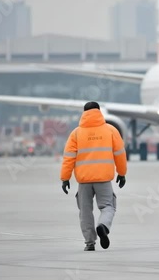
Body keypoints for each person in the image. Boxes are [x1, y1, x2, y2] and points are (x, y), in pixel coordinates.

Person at [60, 101, 127, 251]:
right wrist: (122, 173)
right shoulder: (110, 130)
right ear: (99, 112)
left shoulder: (76, 133)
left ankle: (89, 243)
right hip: (103, 179)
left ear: (84, 113)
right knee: (108, 206)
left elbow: (68, 158)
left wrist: (65, 178)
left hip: (84, 181)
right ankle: (103, 226)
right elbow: (120, 154)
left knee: (85, 211)